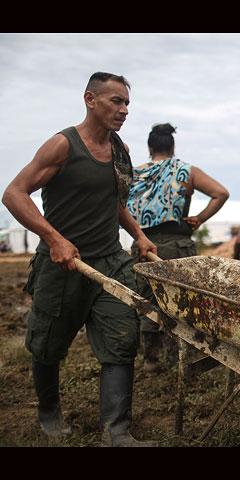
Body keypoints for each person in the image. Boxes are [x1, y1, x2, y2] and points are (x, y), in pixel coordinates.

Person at [1, 72, 157, 446]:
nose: (123, 110)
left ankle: (116, 432)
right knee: (47, 344)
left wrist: (137, 234)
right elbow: (14, 194)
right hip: (62, 264)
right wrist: (54, 239)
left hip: (109, 262)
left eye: (126, 104)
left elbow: (114, 202)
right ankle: (49, 411)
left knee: (121, 339)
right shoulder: (63, 145)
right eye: (115, 101)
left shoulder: (120, 150)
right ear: (90, 99)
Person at [127, 123, 229, 373]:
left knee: (146, 301)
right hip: (177, 245)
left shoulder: (134, 173)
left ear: (150, 148)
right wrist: (200, 218)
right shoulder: (185, 171)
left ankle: (151, 359)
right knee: (178, 303)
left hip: (142, 244)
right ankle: (177, 359)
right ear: (172, 147)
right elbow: (221, 193)